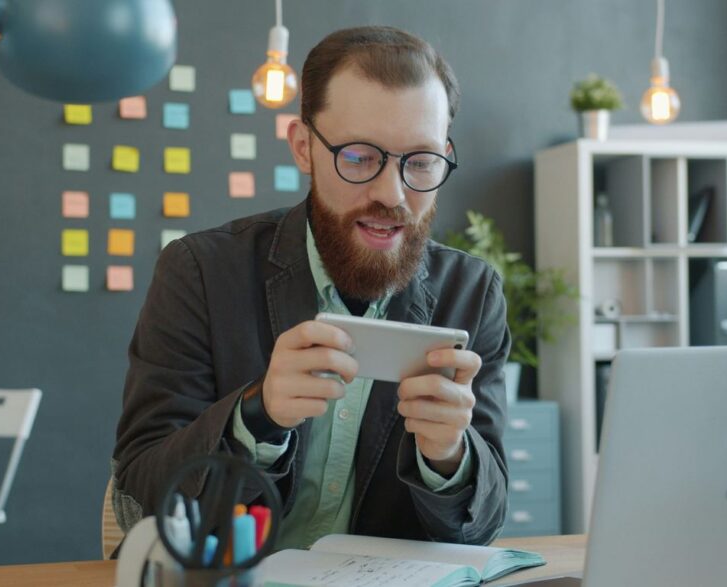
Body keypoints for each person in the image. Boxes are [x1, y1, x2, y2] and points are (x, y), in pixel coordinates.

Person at [112, 25, 510, 549]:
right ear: (304, 148)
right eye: (360, 157)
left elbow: (483, 521)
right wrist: (257, 416)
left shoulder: (472, 292)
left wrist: (449, 457)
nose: (392, 194)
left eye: (420, 161)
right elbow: (139, 492)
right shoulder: (199, 272)